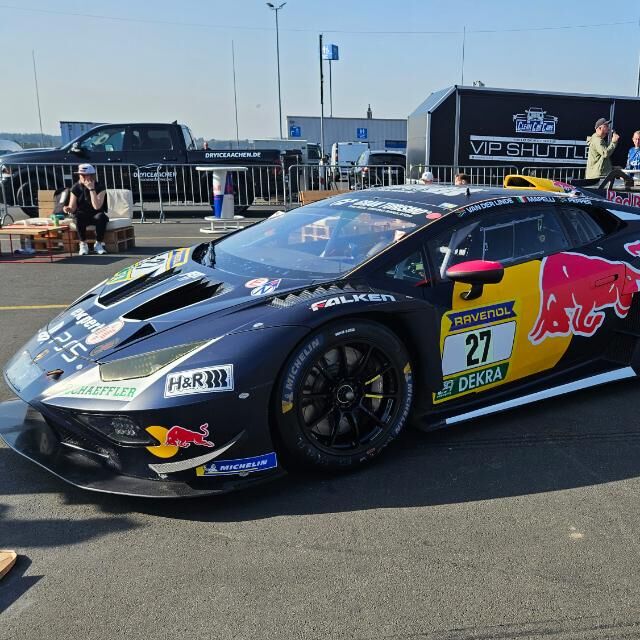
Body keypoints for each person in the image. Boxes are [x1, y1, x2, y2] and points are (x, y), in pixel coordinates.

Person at [63, 163, 109, 255]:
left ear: (91, 176)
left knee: (101, 217)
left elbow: (97, 207)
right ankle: (83, 244)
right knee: (78, 216)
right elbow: (72, 208)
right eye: (80, 175)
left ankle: (98, 244)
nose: (81, 177)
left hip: (96, 214)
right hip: (82, 214)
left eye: (84, 175)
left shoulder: (100, 187)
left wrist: (92, 189)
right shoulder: (76, 187)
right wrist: (67, 209)